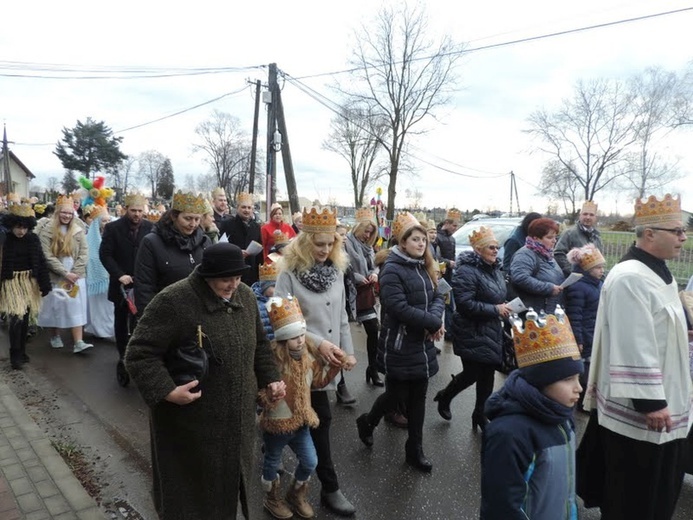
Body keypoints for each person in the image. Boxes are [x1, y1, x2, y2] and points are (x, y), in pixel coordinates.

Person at [125, 242, 285, 520]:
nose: (233, 285)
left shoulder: (245, 297)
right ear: (207, 275)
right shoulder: (174, 301)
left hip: (236, 423)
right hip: (189, 426)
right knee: (192, 500)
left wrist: (270, 379)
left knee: (227, 492)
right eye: (226, 279)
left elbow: (259, 344)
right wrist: (167, 390)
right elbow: (139, 353)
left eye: (237, 277)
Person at [579, 194, 693, 520]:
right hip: (645, 412)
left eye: (683, 231)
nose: (684, 237)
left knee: (655, 495)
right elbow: (633, 342)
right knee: (635, 498)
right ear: (650, 234)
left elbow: (658, 326)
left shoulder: (658, 271)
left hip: (667, 401)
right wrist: (650, 402)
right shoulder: (631, 277)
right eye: (677, 231)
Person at [275, 207, 358, 517]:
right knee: (307, 419)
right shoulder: (288, 275)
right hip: (299, 362)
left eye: (329, 244)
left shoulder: (337, 272)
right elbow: (282, 323)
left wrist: (347, 353)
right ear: (304, 241)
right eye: (318, 244)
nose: (324, 250)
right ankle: (330, 486)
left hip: (326, 366)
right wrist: (317, 343)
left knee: (316, 421)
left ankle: (319, 482)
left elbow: (342, 319)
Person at [356, 212, 445, 473]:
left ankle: (414, 450)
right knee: (395, 395)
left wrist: (435, 320)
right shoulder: (392, 268)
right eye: (415, 239)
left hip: (423, 343)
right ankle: (368, 421)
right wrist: (431, 322)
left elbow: (441, 293)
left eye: (423, 240)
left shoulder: (427, 265)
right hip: (400, 343)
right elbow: (398, 307)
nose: (421, 244)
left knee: (419, 398)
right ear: (403, 242)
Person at [480, 312, 583, 519]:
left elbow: (565, 487)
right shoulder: (509, 435)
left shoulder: (561, 417)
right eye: (568, 379)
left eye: (579, 378)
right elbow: (501, 507)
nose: (579, 388)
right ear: (541, 381)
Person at [258, 295, 344, 520]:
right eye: (293, 337)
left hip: (302, 422)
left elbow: (316, 382)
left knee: (311, 461)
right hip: (277, 425)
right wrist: (268, 395)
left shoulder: (306, 358)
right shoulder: (272, 362)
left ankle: (295, 495)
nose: (299, 340)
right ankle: (272, 498)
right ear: (282, 339)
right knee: (271, 463)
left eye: (301, 335)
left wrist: (335, 368)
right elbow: (259, 393)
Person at [434, 226, 511, 430]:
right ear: (477, 249)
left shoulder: (495, 269)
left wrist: (505, 307)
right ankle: (445, 396)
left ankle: (479, 414)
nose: (495, 250)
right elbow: (465, 304)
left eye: (497, 247)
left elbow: (498, 295)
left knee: (488, 374)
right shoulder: (467, 271)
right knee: (472, 374)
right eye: (491, 247)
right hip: (471, 328)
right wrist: (495, 309)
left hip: (491, 328)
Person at [99, 192, 154, 383]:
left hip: (144, 283)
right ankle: (123, 356)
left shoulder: (150, 228)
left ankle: (140, 357)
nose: (137, 214)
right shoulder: (113, 228)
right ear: (125, 209)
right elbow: (105, 255)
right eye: (133, 211)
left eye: (140, 211)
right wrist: (119, 274)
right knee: (121, 322)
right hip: (121, 284)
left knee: (141, 322)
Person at [134, 191, 211, 314]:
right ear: (174, 216)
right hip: (166, 314)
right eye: (187, 218)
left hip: (199, 313)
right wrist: (150, 318)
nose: (193, 224)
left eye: (197, 219)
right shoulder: (152, 242)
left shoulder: (204, 242)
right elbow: (144, 286)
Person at [37, 194, 93, 353]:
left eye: (69, 213)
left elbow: (84, 252)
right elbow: (47, 255)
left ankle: (78, 342)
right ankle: (55, 335)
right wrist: (64, 273)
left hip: (75, 276)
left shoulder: (78, 229)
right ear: (57, 212)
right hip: (56, 275)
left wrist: (75, 272)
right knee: (56, 306)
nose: (67, 216)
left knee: (75, 306)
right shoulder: (47, 230)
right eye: (64, 212)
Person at [0, 200, 51, 369]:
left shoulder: (33, 239)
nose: (21, 231)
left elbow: (41, 262)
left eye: (24, 227)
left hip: (29, 282)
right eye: (17, 227)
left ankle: (22, 351)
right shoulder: (4, 240)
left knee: (26, 318)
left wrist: (45, 285)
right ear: (11, 225)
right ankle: (15, 354)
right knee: (16, 318)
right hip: (11, 282)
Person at [344, 208, 382, 387]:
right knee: (341, 335)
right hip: (349, 292)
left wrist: (375, 273)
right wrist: (359, 278)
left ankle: (372, 369)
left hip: (365, 294)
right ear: (358, 227)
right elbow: (344, 265)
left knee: (374, 330)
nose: (368, 235)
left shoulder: (368, 247)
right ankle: (340, 382)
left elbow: (374, 265)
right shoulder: (346, 242)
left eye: (370, 232)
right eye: (366, 230)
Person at [563, 244, 605, 411]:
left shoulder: (598, 284)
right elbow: (575, 316)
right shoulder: (578, 287)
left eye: (602, 267)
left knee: (590, 368)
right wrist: (578, 339)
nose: (602, 270)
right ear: (587, 269)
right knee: (583, 371)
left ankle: (585, 401)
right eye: (598, 267)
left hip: (593, 331)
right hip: (584, 335)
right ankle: (579, 402)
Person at [509, 217, 565, 314]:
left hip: (549, 311)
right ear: (536, 238)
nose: (554, 241)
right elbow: (520, 277)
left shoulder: (547, 254)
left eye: (555, 237)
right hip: (533, 315)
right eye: (549, 237)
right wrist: (549, 288)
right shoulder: (525, 254)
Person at [83, 205, 115, 339]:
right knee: (97, 307)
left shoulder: (115, 235)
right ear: (97, 223)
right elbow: (89, 257)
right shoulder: (89, 238)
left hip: (112, 276)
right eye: (103, 221)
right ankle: (98, 329)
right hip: (96, 278)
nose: (106, 223)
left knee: (110, 307)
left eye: (108, 220)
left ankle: (110, 330)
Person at [218, 192, 262, 286]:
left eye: (249, 208)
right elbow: (221, 246)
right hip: (233, 269)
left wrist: (260, 274)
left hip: (251, 272)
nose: (246, 210)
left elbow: (260, 252)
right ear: (237, 208)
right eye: (243, 207)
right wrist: (236, 252)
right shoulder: (227, 224)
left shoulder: (256, 227)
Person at [554, 201, 603, 277]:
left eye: (591, 215)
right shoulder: (569, 233)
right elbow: (558, 254)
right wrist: (573, 272)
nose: (588, 217)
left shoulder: (597, 236)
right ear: (580, 216)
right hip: (575, 281)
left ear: (595, 217)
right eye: (585, 214)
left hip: (593, 280)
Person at [436, 209, 460, 340]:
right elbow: (435, 257)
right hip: (440, 277)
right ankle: (436, 331)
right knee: (439, 306)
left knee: (450, 306)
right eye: (454, 225)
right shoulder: (437, 237)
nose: (456, 228)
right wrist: (448, 263)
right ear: (446, 223)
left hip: (449, 277)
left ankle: (449, 332)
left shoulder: (452, 239)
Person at [252, 263, 278, 340]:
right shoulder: (256, 302)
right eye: (273, 286)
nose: (277, 289)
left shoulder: (281, 300)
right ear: (264, 287)